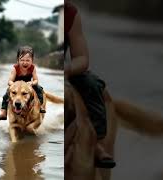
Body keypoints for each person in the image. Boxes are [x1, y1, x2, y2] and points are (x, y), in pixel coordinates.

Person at [65, 1, 116, 168]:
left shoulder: (70, 13)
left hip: (62, 71)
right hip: (31, 69)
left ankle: (96, 143)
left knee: (92, 84)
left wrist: (69, 68)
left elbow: (82, 58)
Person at [0, 46, 45, 120]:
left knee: (40, 89)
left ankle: (40, 106)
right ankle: (3, 112)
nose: (25, 62)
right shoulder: (15, 68)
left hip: (27, 86)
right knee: (6, 95)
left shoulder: (33, 68)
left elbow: (36, 80)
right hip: (16, 87)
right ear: (18, 60)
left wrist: (32, 83)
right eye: (22, 60)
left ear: (32, 61)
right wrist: (13, 85)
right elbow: (9, 81)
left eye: (28, 60)